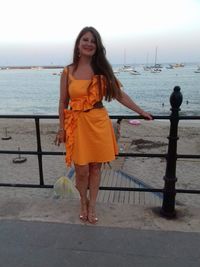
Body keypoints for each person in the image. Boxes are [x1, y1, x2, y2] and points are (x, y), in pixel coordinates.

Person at [55, 26, 152, 224]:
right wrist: (61, 128)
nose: (89, 43)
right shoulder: (68, 71)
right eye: (85, 40)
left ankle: (92, 206)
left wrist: (140, 111)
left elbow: (119, 95)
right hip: (78, 125)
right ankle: (83, 201)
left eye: (93, 41)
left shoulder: (102, 70)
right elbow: (62, 102)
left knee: (96, 169)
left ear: (97, 46)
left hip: (98, 122)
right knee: (81, 170)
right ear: (78, 44)